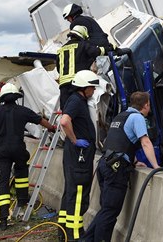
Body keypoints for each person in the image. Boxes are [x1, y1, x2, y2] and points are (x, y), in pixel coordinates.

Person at [83, 92, 160, 241]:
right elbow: (145, 142)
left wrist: (134, 161)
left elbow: (122, 141)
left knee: (105, 210)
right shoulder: (138, 117)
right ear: (146, 105)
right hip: (116, 169)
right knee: (110, 212)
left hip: (105, 164)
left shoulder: (121, 116)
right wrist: (156, 165)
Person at [0, 83, 56, 230]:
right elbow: (40, 120)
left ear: (2, 98)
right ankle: (22, 199)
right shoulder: (23, 111)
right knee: (21, 169)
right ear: (16, 97)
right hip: (18, 149)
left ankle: (3, 219)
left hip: (1, 151)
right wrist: (52, 128)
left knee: (2, 183)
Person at [57, 70, 100, 241]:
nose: (94, 91)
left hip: (76, 154)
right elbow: (64, 121)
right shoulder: (76, 101)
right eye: (92, 87)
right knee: (79, 193)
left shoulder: (77, 100)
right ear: (84, 87)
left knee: (70, 191)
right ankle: (75, 235)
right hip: (79, 154)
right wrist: (75, 140)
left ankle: (63, 232)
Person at [57, 25, 109, 108]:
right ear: (82, 35)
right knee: (81, 111)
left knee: (66, 110)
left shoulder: (61, 49)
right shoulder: (82, 44)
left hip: (63, 86)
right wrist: (109, 48)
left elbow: (59, 68)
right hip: (77, 83)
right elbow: (95, 51)